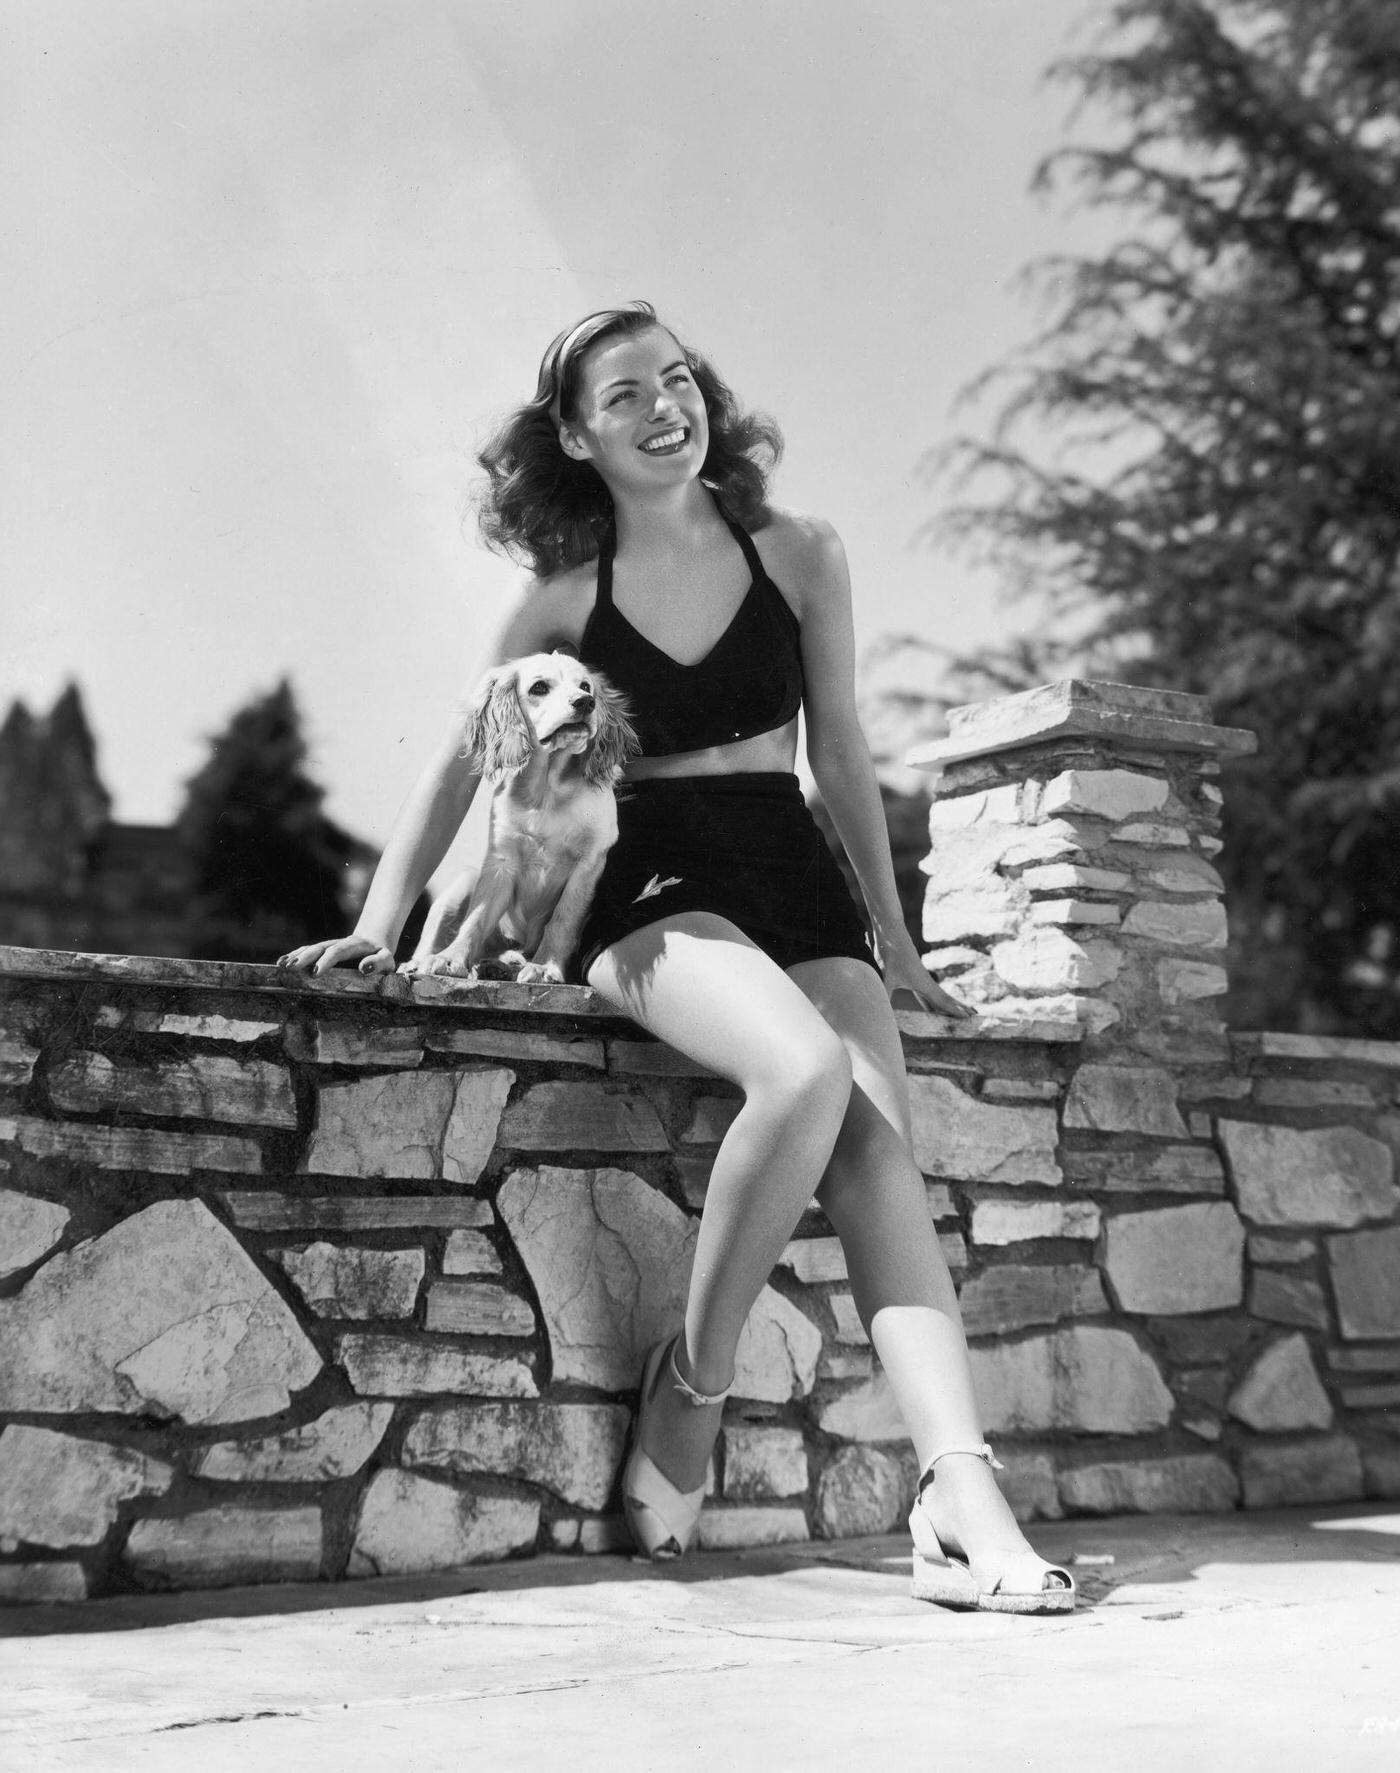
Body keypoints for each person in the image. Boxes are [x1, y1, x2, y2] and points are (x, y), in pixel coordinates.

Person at [279, 302, 1073, 1612]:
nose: (666, 406)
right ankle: (694, 1392)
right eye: (626, 395)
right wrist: (380, 920)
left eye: (678, 378)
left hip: (788, 859)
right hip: (644, 874)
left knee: (880, 1141)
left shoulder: (803, 554)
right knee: (805, 1077)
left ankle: (956, 1486)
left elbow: (846, 753)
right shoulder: (560, 598)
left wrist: (895, 935)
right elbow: (460, 758)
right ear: (576, 441)